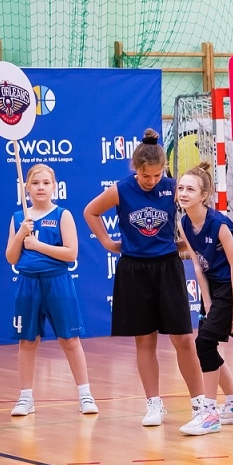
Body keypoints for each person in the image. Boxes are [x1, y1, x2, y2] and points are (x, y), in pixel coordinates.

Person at [82, 130, 213, 431]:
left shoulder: (172, 188)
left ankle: (199, 403)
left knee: (183, 338)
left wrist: (186, 243)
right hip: (135, 270)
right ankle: (153, 403)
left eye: (156, 175)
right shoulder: (121, 189)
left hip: (168, 267)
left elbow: (199, 215)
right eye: (145, 175)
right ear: (135, 167)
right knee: (145, 340)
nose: (151, 180)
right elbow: (91, 212)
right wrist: (107, 242)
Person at [6, 163, 96, 417]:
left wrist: (36, 244)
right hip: (27, 283)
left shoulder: (62, 215)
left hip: (57, 282)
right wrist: (21, 235)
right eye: (35, 183)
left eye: (46, 183)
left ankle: (85, 394)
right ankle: (25, 398)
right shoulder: (18, 218)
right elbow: (12, 258)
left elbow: (71, 253)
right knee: (27, 341)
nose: (41, 187)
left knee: (69, 339)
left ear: (54, 186)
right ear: (27, 188)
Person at [177, 163, 233, 435]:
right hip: (213, 288)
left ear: (204, 195)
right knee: (209, 346)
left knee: (204, 342)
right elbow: (198, 264)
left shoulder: (219, 223)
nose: (184, 193)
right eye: (181, 188)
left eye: (190, 189)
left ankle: (209, 411)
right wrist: (206, 301)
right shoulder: (184, 222)